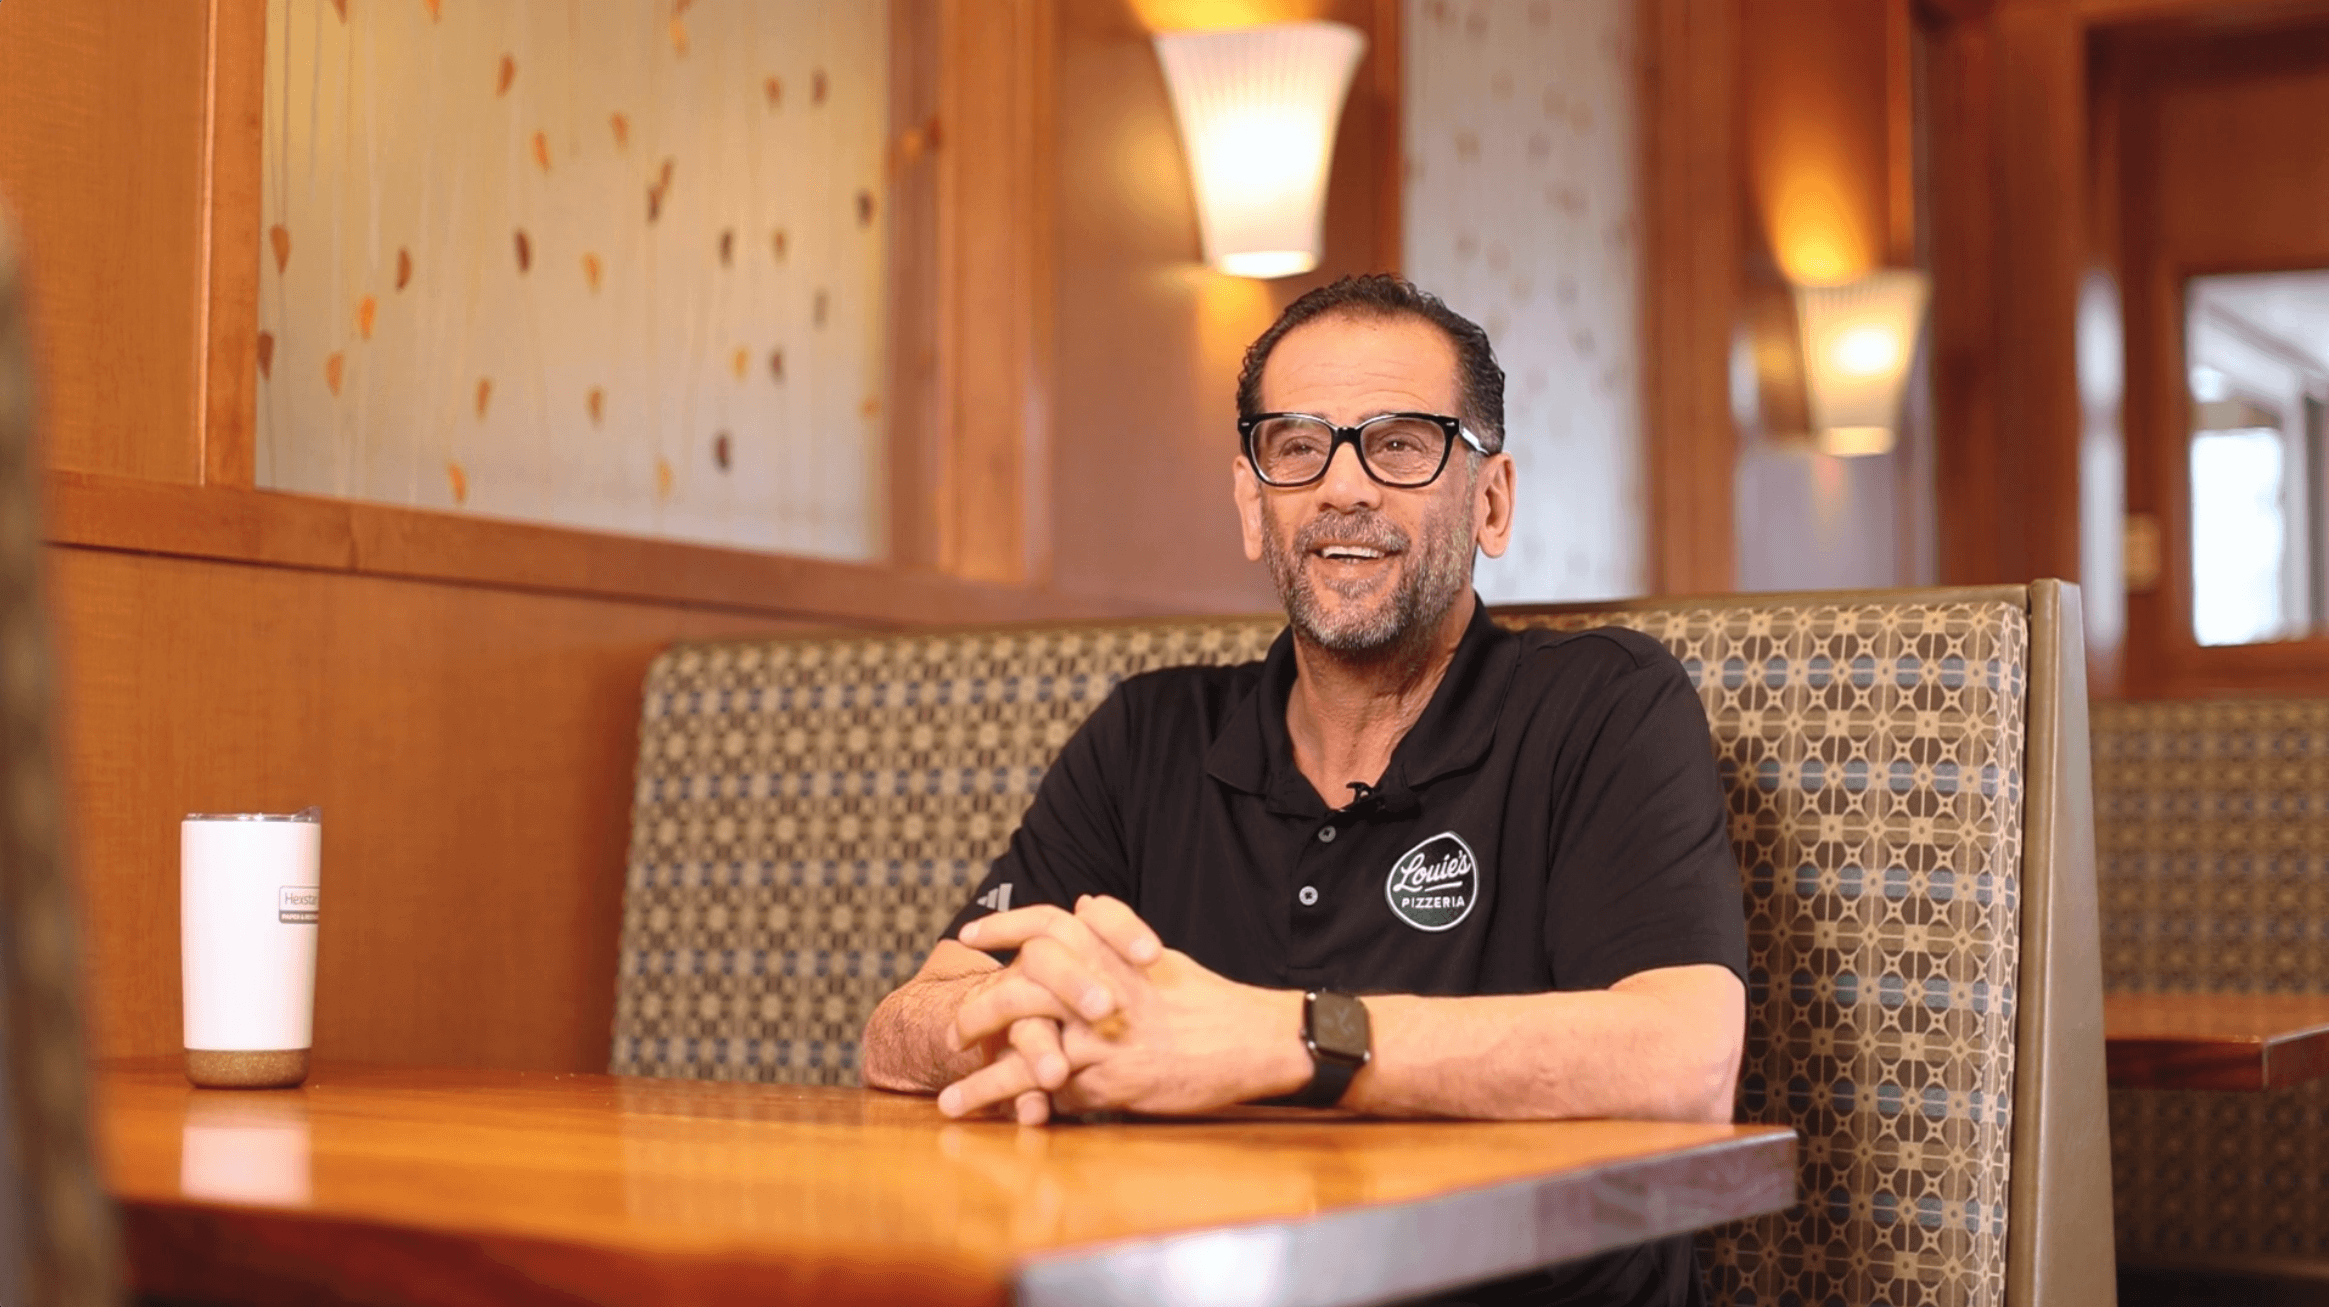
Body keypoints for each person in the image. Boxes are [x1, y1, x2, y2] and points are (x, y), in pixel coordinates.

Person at [862, 273, 1748, 1306]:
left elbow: (1684, 1061)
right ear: (1254, 504)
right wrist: (1028, 1024)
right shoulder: (1149, 734)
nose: (1343, 487)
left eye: (1401, 444)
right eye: (1297, 446)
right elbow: (903, 1023)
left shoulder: (1602, 705)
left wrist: (1277, 1038)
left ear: (1492, 499)